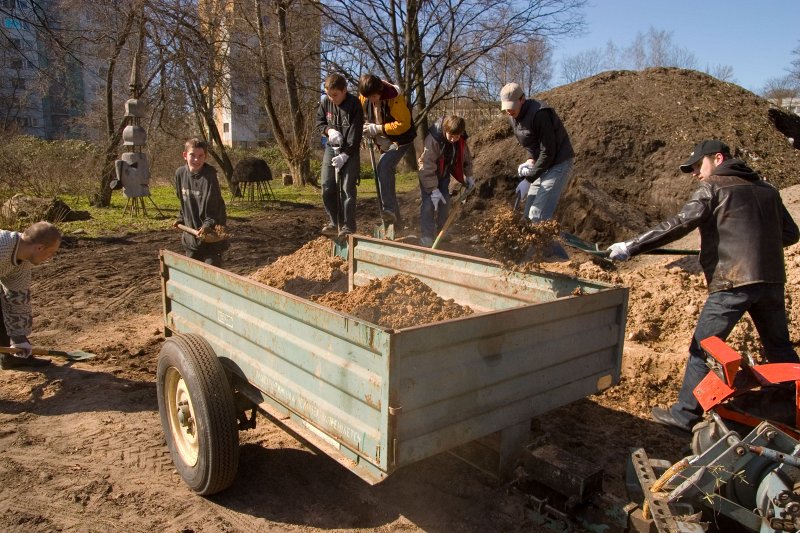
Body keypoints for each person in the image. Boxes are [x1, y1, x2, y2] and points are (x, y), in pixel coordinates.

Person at [607, 139, 800, 433]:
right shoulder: (768, 190)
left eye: (698, 165)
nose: (696, 173)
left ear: (718, 158)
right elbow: (790, 233)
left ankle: (684, 415)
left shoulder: (714, 187)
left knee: (703, 347)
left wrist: (631, 247)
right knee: (779, 347)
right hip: (771, 280)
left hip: (733, 281)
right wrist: (756, 242)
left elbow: (679, 224)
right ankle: (791, 407)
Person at [501, 82, 574, 224]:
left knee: (537, 214)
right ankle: (530, 246)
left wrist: (529, 180)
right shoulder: (513, 117)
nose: (508, 111)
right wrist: (530, 161)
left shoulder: (540, 113)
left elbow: (548, 151)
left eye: (511, 106)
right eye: (506, 107)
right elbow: (531, 143)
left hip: (558, 164)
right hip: (543, 164)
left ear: (522, 99)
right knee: (527, 215)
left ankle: (542, 245)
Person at [0, 221, 61, 369]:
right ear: (39, 248)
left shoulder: (21, 264)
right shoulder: (2, 248)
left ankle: (10, 357)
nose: (50, 257)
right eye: (51, 252)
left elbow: (17, 300)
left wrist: (18, 338)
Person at [359, 73, 416, 225]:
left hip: (401, 139)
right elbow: (360, 114)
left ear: (380, 90)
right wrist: (364, 128)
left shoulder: (394, 98)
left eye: (373, 97)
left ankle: (388, 209)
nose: (371, 100)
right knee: (384, 175)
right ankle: (395, 222)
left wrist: (377, 128)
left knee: (384, 167)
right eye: (368, 97)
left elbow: (403, 124)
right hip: (383, 140)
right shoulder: (364, 97)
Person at [315, 73, 364, 238]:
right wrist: (329, 131)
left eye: (335, 94)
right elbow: (320, 122)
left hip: (350, 149)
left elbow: (355, 136)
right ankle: (334, 221)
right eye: (329, 94)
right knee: (327, 186)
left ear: (344, 91)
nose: (332, 98)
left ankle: (348, 225)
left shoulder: (354, 104)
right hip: (331, 147)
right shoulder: (325, 102)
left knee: (347, 189)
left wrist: (345, 155)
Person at [418, 115, 475, 247]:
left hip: (443, 176)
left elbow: (465, 158)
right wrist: (433, 189)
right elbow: (426, 166)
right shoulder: (433, 140)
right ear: (445, 129)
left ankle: (441, 233)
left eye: (457, 136)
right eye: (451, 136)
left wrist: (469, 177)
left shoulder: (460, 140)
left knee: (445, 203)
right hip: (428, 175)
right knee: (429, 205)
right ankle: (426, 236)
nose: (453, 139)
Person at [172, 138, 228, 267]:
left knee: (212, 276)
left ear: (205, 157)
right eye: (192, 155)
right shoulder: (180, 174)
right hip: (191, 237)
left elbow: (214, 207)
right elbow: (183, 201)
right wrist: (181, 218)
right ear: (185, 155)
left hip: (211, 238)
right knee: (193, 275)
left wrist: (207, 225)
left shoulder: (209, 176)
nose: (196, 160)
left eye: (200, 156)